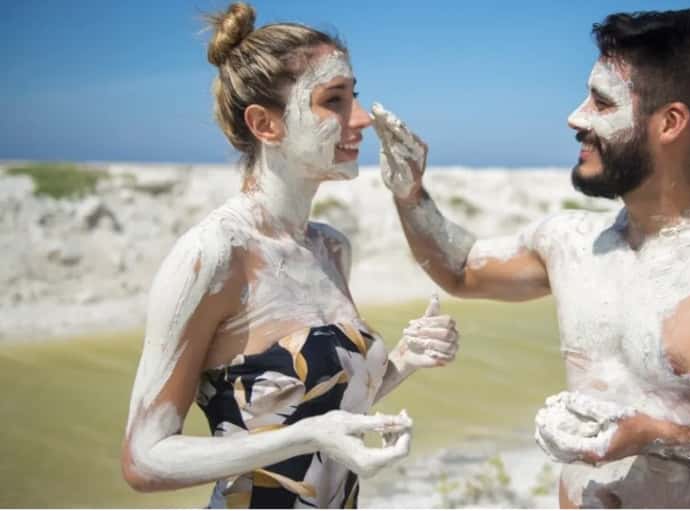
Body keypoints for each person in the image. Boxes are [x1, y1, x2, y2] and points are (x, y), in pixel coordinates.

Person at [371, 8, 690, 508]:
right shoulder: (573, 242)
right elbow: (461, 268)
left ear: (670, 123)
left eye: (601, 104)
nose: (575, 117)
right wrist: (409, 193)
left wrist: (660, 438)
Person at [120, 3, 459, 508]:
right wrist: (307, 438)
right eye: (333, 101)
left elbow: (323, 409)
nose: (362, 119)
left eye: (354, 96)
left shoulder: (331, 248)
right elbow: (144, 459)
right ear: (265, 124)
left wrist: (406, 360)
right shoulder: (214, 254)